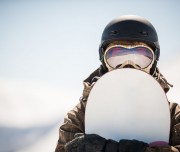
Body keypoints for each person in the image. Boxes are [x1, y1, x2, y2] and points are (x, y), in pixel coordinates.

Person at [55, 15, 180, 152]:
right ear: (104, 62)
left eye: (141, 57)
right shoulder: (80, 115)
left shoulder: (174, 115)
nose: (128, 66)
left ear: (154, 62)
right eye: (116, 57)